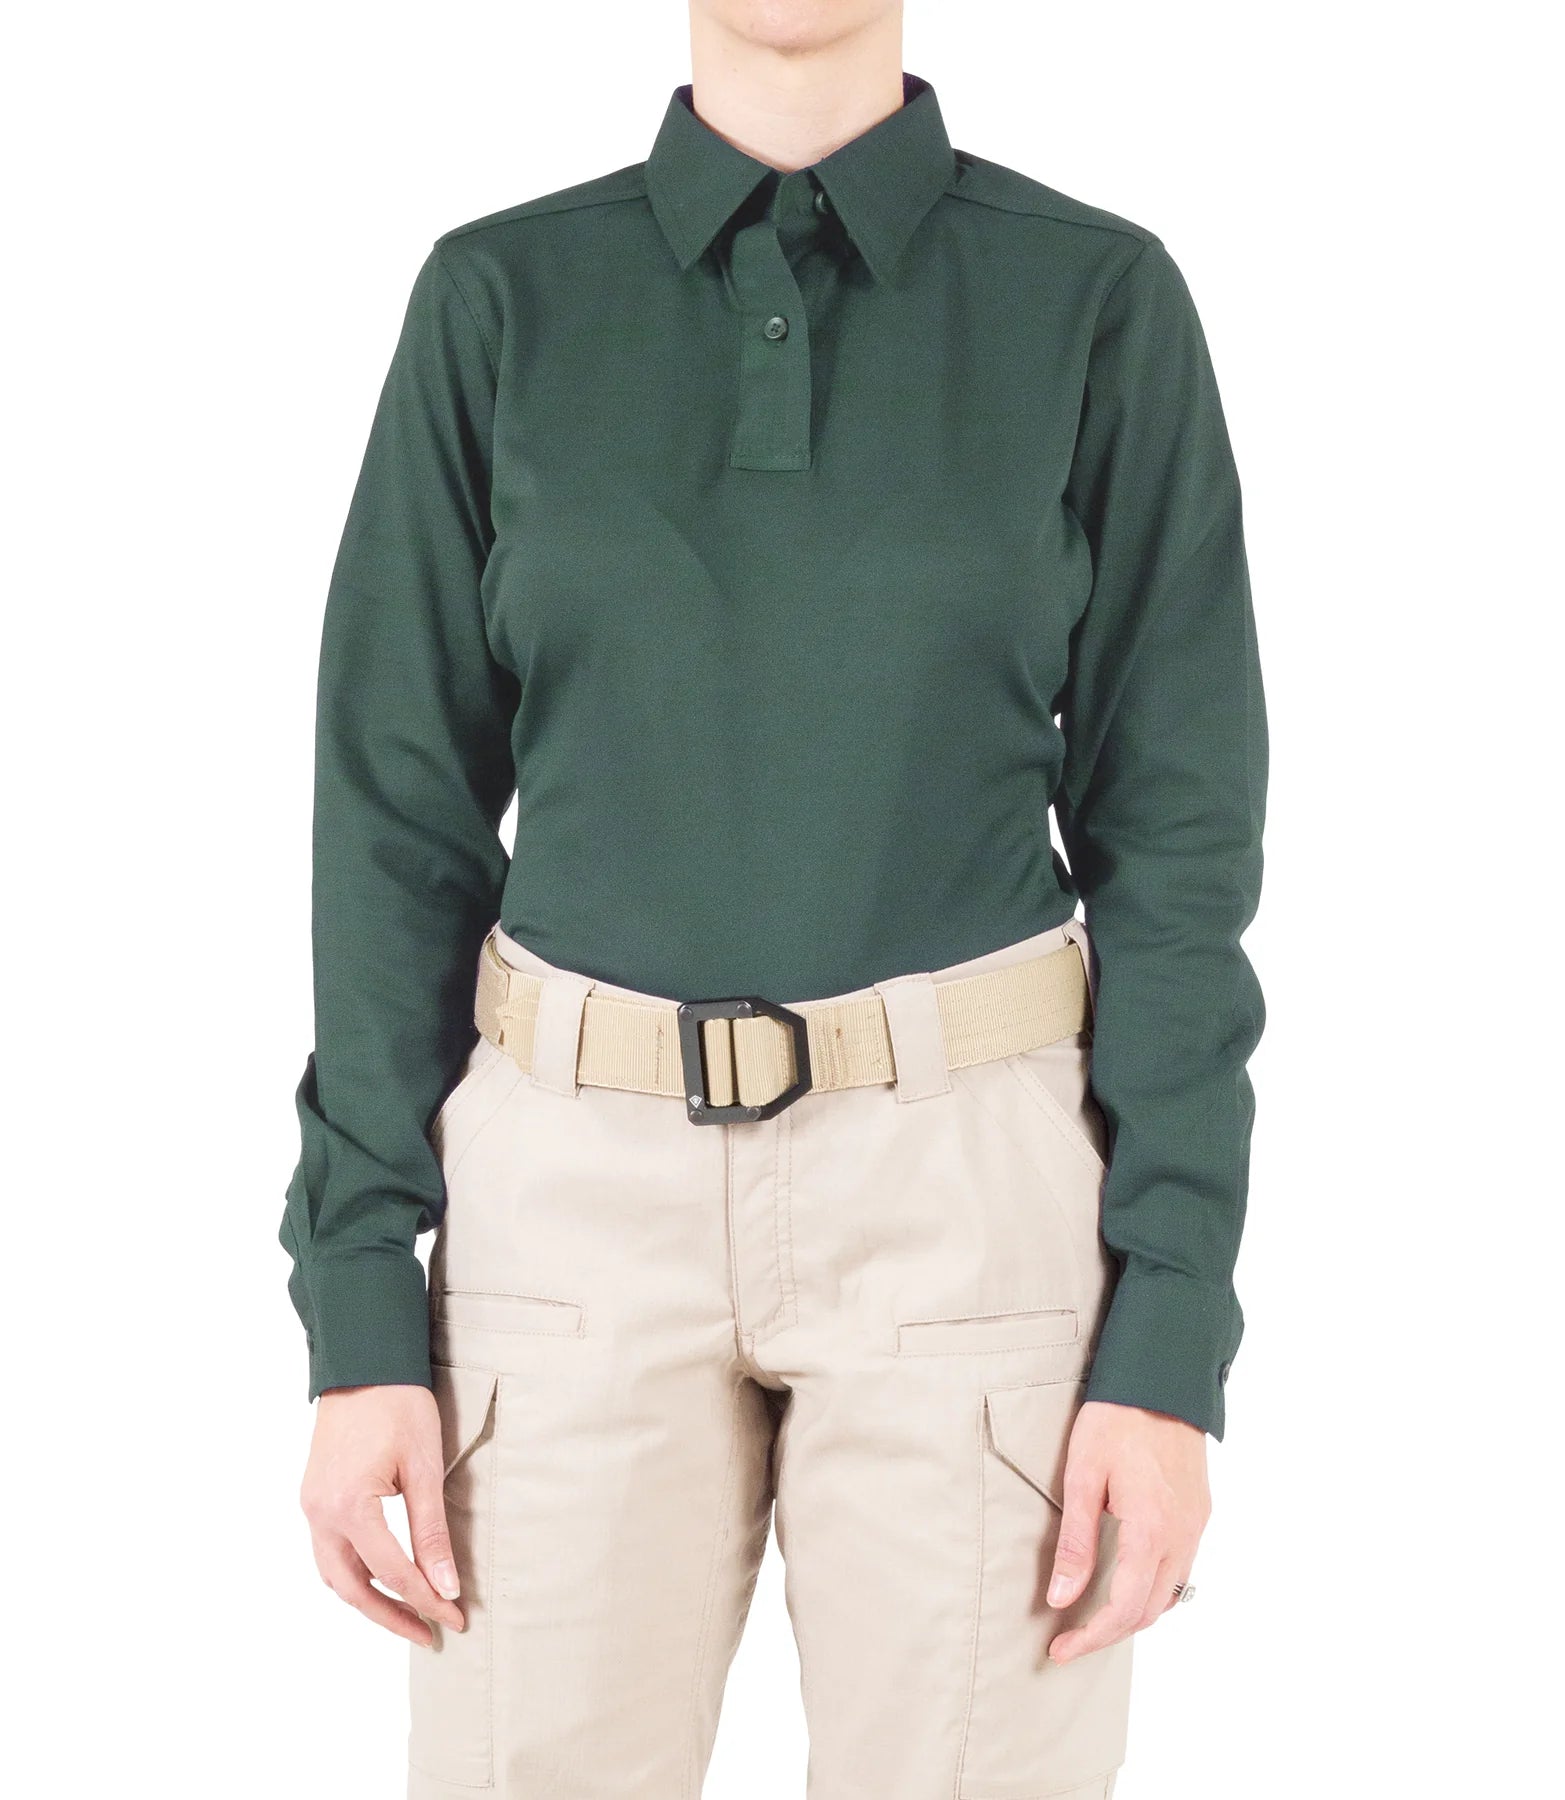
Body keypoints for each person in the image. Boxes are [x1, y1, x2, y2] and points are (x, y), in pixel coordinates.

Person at [280, 2, 1266, 1794]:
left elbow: (1177, 846)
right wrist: (358, 1305)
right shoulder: (499, 296)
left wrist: (1169, 1329)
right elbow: (392, 820)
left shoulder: (1090, 297)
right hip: (567, 1203)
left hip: (967, 1202)